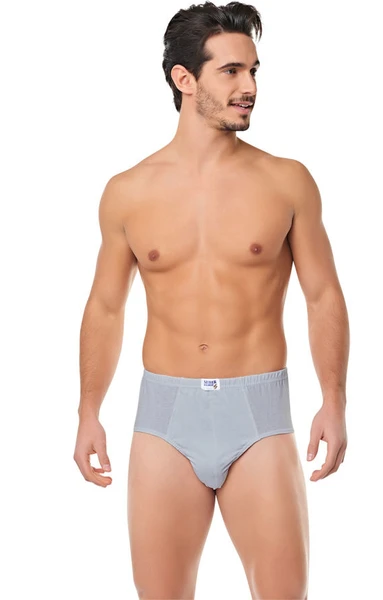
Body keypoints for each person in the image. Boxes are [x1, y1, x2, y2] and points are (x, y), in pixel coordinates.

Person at [73, 2, 349, 598]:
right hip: (165, 417)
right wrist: (88, 410)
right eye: (230, 71)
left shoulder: (287, 181)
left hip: (258, 412)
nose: (250, 87)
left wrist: (334, 401)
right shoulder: (127, 192)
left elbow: (323, 294)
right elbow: (106, 307)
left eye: (254, 71)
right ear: (185, 79)